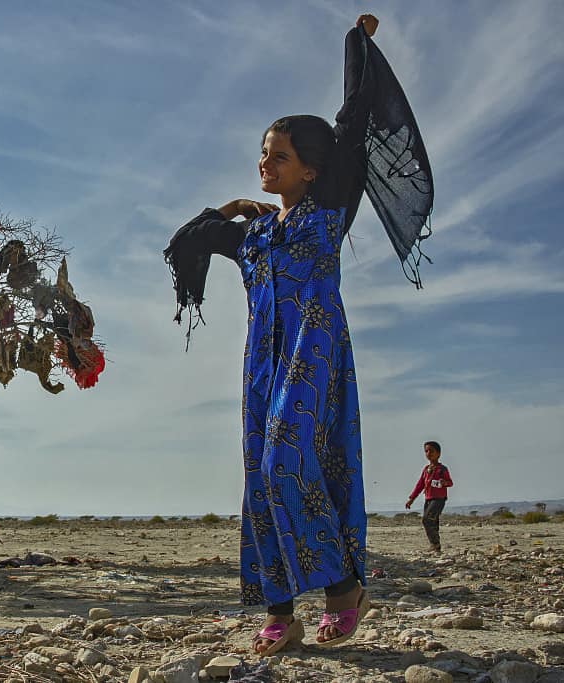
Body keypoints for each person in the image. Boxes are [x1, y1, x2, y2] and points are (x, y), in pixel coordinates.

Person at [164, 12, 434, 655]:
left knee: (290, 458)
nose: (265, 160)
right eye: (262, 151)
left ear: (311, 169)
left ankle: (343, 590)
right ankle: (280, 613)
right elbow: (181, 245)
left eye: (278, 154)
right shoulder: (250, 235)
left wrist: (357, 44)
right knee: (262, 475)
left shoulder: (328, 209)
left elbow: (355, 116)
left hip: (314, 356)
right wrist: (227, 209)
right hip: (264, 363)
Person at [405, 441, 452, 554]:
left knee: (426, 520)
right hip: (428, 499)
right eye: (426, 451)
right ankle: (436, 547)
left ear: (438, 453)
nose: (428, 453)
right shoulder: (426, 469)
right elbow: (420, 484)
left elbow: (450, 482)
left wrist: (444, 482)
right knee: (433, 522)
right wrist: (411, 498)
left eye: (431, 451)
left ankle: (435, 544)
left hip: (439, 499)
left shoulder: (442, 469)